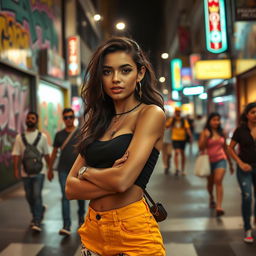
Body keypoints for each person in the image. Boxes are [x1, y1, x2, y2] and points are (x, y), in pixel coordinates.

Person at [66, 37, 166, 256]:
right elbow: (70, 188)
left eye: (125, 70)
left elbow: (122, 181)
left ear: (140, 73)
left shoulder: (150, 114)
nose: (116, 79)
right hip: (93, 230)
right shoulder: (97, 120)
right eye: (107, 71)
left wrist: (87, 172)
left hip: (132, 232)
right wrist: (114, 175)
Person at [48, 108, 85, 236]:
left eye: (70, 117)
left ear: (74, 117)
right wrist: (49, 169)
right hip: (63, 170)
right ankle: (66, 225)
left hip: (79, 171)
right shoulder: (59, 135)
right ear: (63, 119)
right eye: (66, 117)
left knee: (81, 197)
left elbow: (86, 151)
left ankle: (81, 221)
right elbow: (54, 153)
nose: (68, 119)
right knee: (65, 197)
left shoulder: (81, 132)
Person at [12, 111, 50, 232]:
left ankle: (37, 220)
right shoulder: (19, 138)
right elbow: (16, 155)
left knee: (36, 195)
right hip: (25, 173)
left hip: (40, 172)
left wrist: (50, 169)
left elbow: (46, 154)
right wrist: (16, 170)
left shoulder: (42, 137)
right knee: (29, 197)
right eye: (28, 118)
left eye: (32, 118)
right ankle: (37, 213)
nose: (30, 120)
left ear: (36, 121)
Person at [228, 102, 256, 243]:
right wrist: (239, 163)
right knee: (247, 196)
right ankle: (247, 229)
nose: (255, 114)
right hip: (244, 168)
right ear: (247, 115)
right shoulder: (241, 130)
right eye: (252, 112)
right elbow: (230, 148)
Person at [198, 113, 234, 217]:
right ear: (209, 121)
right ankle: (211, 197)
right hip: (208, 161)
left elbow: (225, 148)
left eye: (218, 120)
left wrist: (230, 163)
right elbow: (201, 147)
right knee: (210, 183)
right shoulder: (205, 132)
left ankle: (219, 207)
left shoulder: (222, 132)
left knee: (218, 180)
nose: (216, 122)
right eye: (214, 120)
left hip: (220, 159)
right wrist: (206, 137)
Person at [166, 107, 192, 176]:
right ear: (175, 112)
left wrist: (190, 136)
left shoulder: (183, 120)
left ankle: (183, 169)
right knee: (177, 152)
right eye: (176, 111)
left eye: (179, 111)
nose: (178, 113)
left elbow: (187, 129)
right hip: (175, 139)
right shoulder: (172, 119)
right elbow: (167, 126)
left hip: (183, 139)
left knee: (183, 153)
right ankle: (177, 169)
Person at [162, 109, 172, 175]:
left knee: (169, 154)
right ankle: (165, 166)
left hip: (170, 141)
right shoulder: (160, 122)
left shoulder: (171, 123)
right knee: (164, 154)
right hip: (162, 141)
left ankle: (168, 163)